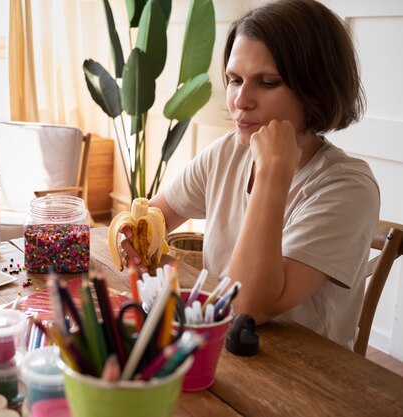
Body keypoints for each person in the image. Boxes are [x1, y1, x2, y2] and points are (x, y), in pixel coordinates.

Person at [121, 0, 379, 348]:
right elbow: (156, 216)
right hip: (220, 351)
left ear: (315, 89)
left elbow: (246, 306)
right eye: (234, 79)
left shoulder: (348, 187)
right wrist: (131, 236)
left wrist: (273, 173)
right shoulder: (227, 152)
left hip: (305, 379)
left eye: (268, 82)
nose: (240, 100)